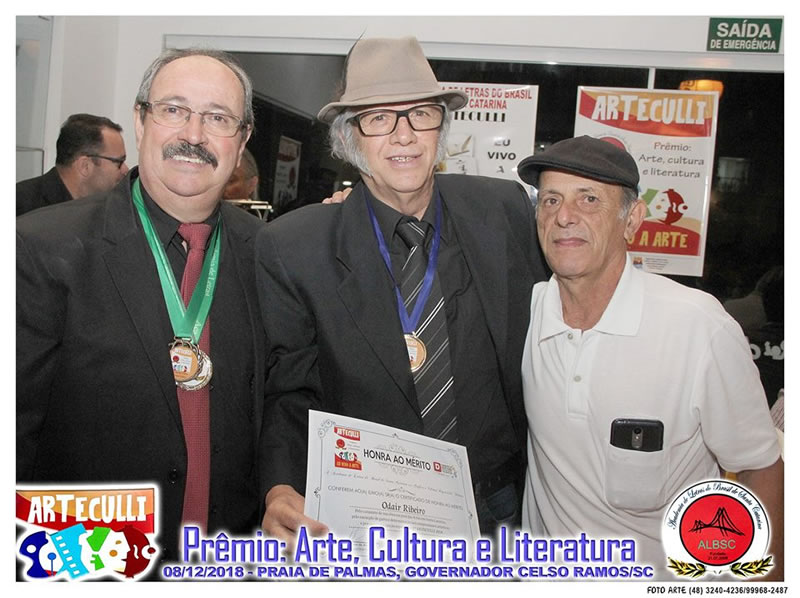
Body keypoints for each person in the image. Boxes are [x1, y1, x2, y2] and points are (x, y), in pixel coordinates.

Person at [256, 36, 547, 542]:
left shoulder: (505, 211)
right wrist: (280, 487)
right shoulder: (295, 246)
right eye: (379, 118)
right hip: (368, 515)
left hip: (500, 504)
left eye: (420, 114)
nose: (404, 135)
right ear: (350, 138)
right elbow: (290, 391)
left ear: (441, 126)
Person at [17, 48, 267, 565]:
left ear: (242, 141)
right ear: (140, 119)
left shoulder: (267, 253)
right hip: (90, 563)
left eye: (218, 118)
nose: (193, 135)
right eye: (174, 110)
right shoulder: (41, 247)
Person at [516, 135, 783, 579]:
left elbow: (759, 467)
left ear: (633, 220)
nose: (564, 216)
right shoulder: (529, 310)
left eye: (588, 199)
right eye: (550, 200)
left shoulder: (697, 327)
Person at [17, 113, 129, 216]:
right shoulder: (22, 207)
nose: (126, 170)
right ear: (85, 166)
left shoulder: (107, 209)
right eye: (119, 162)